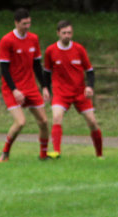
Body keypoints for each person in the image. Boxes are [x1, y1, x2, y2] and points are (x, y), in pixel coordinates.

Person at [43, 20, 102, 159]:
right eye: (64, 33)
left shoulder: (79, 49)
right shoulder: (50, 51)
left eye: (69, 33)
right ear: (58, 33)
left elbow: (90, 71)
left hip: (79, 92)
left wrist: (90, 86)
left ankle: (99, 155)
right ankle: (57, 152)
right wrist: (45, 88)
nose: (67, 35)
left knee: (92, 122)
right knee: (57, 117)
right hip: (60, 92)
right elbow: (46, 72)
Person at [0, 8, 51, 162]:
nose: (27, 26)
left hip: (30, 87)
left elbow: (36, 65)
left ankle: (43, 155)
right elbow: (4, 69)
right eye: (24, 24)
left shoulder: (33, 39)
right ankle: (5, 152)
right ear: (16, 23)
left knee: (44, 122)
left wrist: (45, 86)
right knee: (21, 122)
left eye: (29, 23)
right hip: (12, 89)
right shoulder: (7, 40)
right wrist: (14, 90)